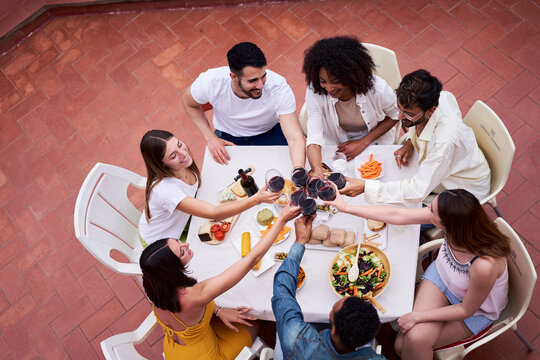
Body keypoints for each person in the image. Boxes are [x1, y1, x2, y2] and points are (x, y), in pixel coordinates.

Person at [325, 189, 510, 360]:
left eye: (431, 210)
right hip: (443, 277)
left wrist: (416, 317)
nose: (427, 209)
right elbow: (396, 215)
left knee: (413, 342)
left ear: (448, 224)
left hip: (474, 309)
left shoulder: (484, 266)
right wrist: (346, 208)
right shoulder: (462, 223)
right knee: (400, 345)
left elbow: (466, 309)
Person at [140, 204, 300, 359]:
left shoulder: (154, 284)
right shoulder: (195, 295)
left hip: (177, 350)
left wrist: (217, 310)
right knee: (258, 318)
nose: (186, 243)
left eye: (178, 241)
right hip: (209, 355)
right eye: (181, 251)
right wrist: (282, 220)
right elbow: (252, 259)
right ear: (171, 270)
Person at [340, 69, 491, 206]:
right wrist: (411, 142)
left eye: (409, 114)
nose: (399, 117)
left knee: (397, 219)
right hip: (439, 177)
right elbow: (448, 98)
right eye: (399, 108)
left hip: (461, 194)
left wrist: (366, 187)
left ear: (431, 110)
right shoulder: (442, 97)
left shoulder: (444, 142)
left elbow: (417, 192)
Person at [138, 129, 281, 246]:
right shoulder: (165, 191)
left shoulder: (182, 166)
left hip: (183, 220)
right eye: (173, 155)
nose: (183, 154)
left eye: (180, 145)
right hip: (161, 240)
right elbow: (213, 213)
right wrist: (256, 199)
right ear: (161, 165)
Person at [271, 215, 385, 359]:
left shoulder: (296, 338)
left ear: (334, 330)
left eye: (333, 309)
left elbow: (282, 292)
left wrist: (300, 241)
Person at [182, 41, 306, 166]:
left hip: (270, 131)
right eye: (253, 81)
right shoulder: (210, 82)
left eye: (263, 76)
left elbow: (295, 138)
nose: (261, 85)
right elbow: (189, 103)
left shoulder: (278, 87)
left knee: (286, 166)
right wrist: (210, 138)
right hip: (229, 135)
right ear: (234, 77)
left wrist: (298, 170)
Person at [302, 36, 399, 178]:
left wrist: (364, 142)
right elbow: (314, 139)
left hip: (376, 143)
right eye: (323, 81)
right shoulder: (315, 91)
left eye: (335, 82)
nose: (328, 88)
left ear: (352, 77)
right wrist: (317, 170)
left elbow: (396, 114)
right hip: (335, 147)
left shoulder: (378, 89)